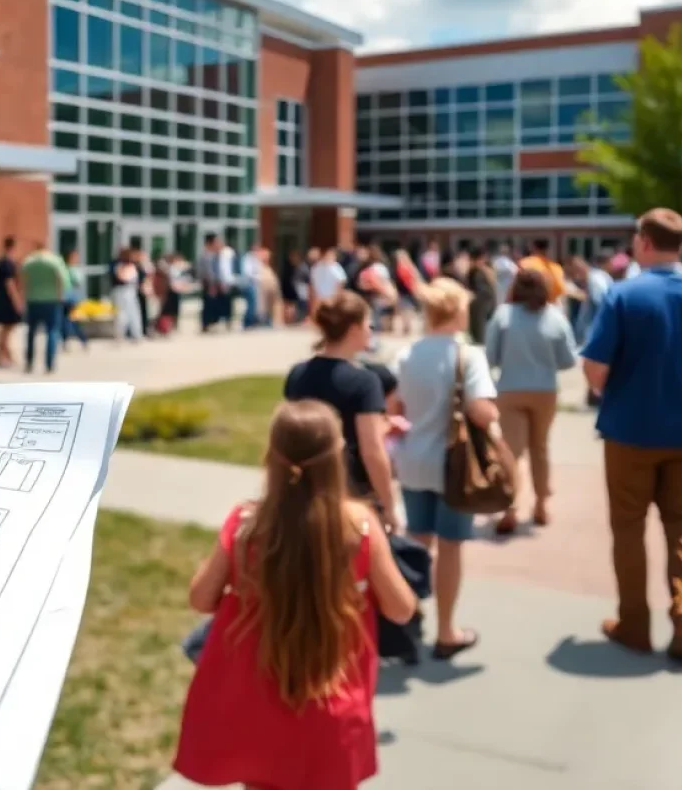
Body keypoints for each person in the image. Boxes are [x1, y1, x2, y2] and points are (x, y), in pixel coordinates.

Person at [173, 399, 418, 790]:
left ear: (271, 456)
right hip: (331, 702)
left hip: (256, 704)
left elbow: (202, 598)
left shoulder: (247, 524)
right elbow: (402, 609)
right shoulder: (359, 526)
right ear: (338, 455)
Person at [582, 208, 682, 661]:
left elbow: (595, 368)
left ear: (644, 241)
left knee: (627, 529)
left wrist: (616, 391)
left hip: (629, 430)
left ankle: (635, 624)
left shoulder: (623, 295)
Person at [393, 277, 498, 658]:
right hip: (454, 467)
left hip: (412, 460)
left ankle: (409, 620)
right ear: (457, 311)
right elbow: (481, 412)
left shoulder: (404, 355)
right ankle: (446, 630)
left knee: (417, 542)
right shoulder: (468, 356)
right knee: (451, 547)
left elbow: (394, 409)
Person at [285, 291, 397, 524]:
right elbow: (372, 451)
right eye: (368, 324)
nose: (371, 330)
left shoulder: (297, 374)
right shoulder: (364, 382)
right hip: (350, 493)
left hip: (303, 490)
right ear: (354, 329)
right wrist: (388, 505)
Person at [485, 268, 578, 535]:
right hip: (545, 390)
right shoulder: (556, 317)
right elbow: (568, 360)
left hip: (510, 388)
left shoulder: (503, 316)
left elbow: (490, 356)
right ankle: (541, 504)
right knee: (540, 447)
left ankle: (510, 507)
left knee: (511, 452)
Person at [20, 241, 68, 374]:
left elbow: (23, 280)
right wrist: (60, 296)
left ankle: (29, 362)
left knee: (31, 333)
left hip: (33, 300)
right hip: (51, 301)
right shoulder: (55, 261)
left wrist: (23, 298)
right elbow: (62, 280)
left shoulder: (29, 261)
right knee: (52, 331)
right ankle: (49, 364)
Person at [0, 236, 22, 367]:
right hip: (7, 301)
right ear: (13, 247)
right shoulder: (7, 264)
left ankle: (3, 354)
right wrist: (17, 301)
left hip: (1, 299)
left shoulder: (0, 262)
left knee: (5, 329)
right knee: (7, 329)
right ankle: (2, 355)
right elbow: (9, 284)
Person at [466, 244, 497, 346]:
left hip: (481, 306)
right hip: (483, 305)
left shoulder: (478, 271)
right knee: (480, 334)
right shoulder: (481, 271)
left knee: (479, 334)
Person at [111, 247, 143, 342]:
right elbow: (122, 278)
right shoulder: (120, 265)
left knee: (134, 313)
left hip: (131, 291)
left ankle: (136, 334)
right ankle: (120, 334)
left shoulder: (133, 266)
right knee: (121, 314)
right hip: (122, 291)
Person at [519, 238, 566, 304]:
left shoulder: (525, 264)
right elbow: (560, 290)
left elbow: (516, 289)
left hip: (529, 306)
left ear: (532, 246)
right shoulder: (556, 267)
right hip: (550, 306)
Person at [61, 248, 89, 350]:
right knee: (71, 320)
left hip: (64, 298)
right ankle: (82, 339)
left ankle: (67, 340)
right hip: (70, 298)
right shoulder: (72, 270)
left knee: (66, 320)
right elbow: (77, 282)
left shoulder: (62, 269)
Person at [392, 248, 423, 336]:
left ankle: (407, 329)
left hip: (406, 292)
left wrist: (414, 289)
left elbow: (411, 280)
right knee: (405, 310)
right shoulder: (404, 267)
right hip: (404, 292)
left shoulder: (405, 267)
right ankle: (406, 328)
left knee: (407, 310)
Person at [196, 233, 219, 332]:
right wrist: (211, 284)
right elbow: (208, 272)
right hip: (208, 284)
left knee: (209, 304)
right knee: (208, 304)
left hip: (208, 283)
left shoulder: (210, 255)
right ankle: (206, 324)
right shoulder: (206, 256)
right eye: (216, 242)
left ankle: (207, 324)